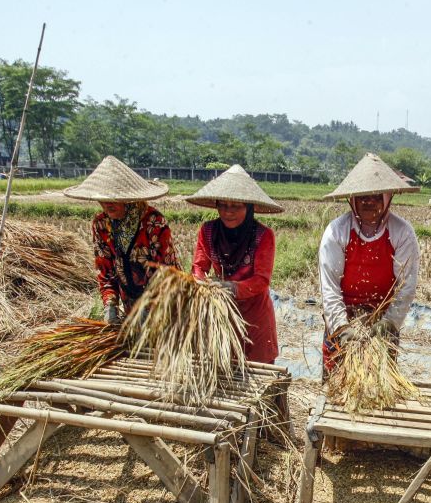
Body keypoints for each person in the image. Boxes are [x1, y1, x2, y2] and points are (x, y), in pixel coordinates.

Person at [317, 153, 421, 374]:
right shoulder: (337, 231)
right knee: (336, 387)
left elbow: (405, 288)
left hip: (382, 322)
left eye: (375, 196)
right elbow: (330, 286)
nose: (368, 202)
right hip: (342, 319)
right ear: (352, 199)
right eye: (362, 196)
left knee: (379, 387)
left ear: (388, 197)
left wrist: (388, 324)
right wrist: (342, 328)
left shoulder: (402, 233)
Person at [64, 155, 178, 324]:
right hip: (130, 303)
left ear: (129, 198)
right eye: (103, 199)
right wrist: (110, 304)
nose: (107, 204)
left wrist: (150, 307)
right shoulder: (101, 224)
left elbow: (165, 271)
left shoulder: (153, 222)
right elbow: (105, 269)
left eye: (114, 199)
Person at [187, 165, 283, 365]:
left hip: (255, 314)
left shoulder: (263, 235)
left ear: (249, 208)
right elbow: (199, 266)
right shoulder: (208, 231)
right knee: (224, 366)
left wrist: (232, 287)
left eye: (236, 206)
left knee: (259, 371)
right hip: (222, 312)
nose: (228, 212)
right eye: (223, 205)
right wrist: (202, 284)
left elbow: (261, 280)